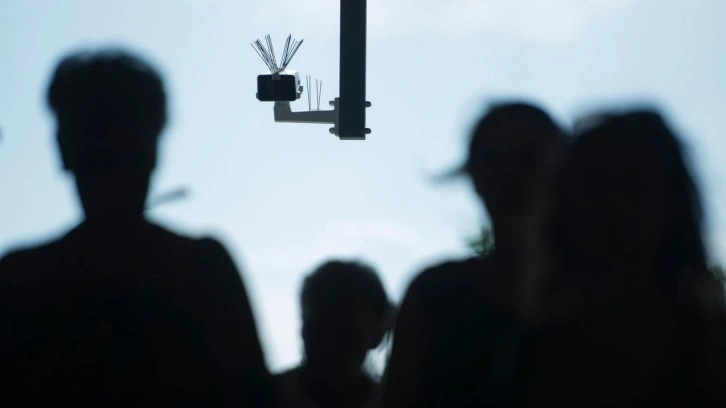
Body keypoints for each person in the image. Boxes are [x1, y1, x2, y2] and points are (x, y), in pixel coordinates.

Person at [0, 49, 276, 407]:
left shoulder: (21, 279)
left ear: (63, 150)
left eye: (125, 156)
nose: (114, 179)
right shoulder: (203, 270)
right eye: (103, 157)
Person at [520, 110, 726, 407]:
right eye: (592, 185)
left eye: (630, 182)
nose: (611, 204)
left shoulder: (535, 353)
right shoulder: (531, 354)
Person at [378, 102, 567, 408]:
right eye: (495, 159)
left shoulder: (435, 293)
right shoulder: (433, 294)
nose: (512, 176)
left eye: (528, 158)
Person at [276, 260, 395, 408]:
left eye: (345, 329)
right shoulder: (391, 401)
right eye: (321, 325)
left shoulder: (268, 395)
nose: (331, 344)